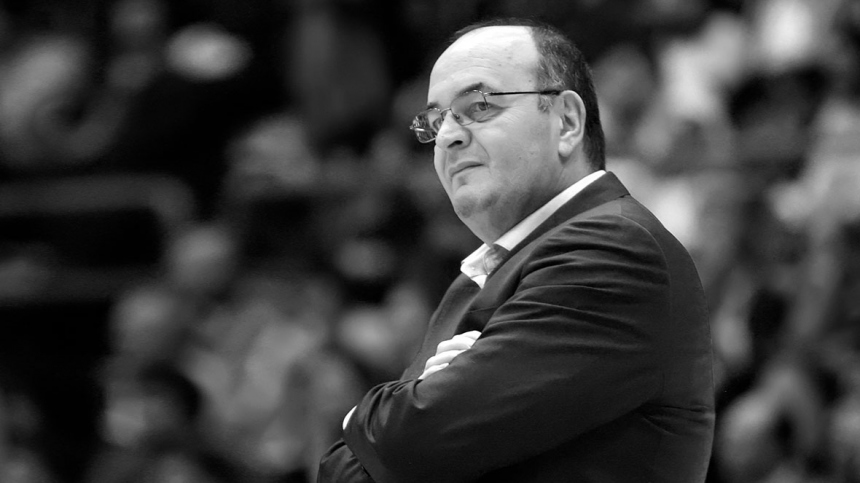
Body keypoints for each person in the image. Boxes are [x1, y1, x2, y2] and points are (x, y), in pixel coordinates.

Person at [317, 18, 714, 483]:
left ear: (567, 121)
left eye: (479, 106)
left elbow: (405, 445)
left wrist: (363, 417)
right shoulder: (479, 276)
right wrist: (407, 409)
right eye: (436, 120)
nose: (447, 137)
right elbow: (351, 468)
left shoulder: (614, 248)